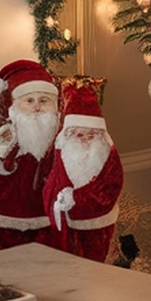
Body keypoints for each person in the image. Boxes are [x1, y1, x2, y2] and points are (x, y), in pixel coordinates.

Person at [0, 59, 60, 251]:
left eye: (44, 100)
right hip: (10, 219)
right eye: (29, 100)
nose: (37, 107)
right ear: (15, 105)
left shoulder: (60, 134)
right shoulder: (6, 135)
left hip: (50, 220)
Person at [43, 79, 123, 262]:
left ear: (101, 135)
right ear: (69, 134)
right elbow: (53, 182)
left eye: (92, 135)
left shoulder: (107, 155)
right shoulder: (62, 151)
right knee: (72, 264)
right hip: (69, 224)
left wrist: (75, 198)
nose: (86, 140)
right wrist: (56, 199)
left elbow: (109, 188)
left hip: (99, 223)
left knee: (96, 265)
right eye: (80, 135)